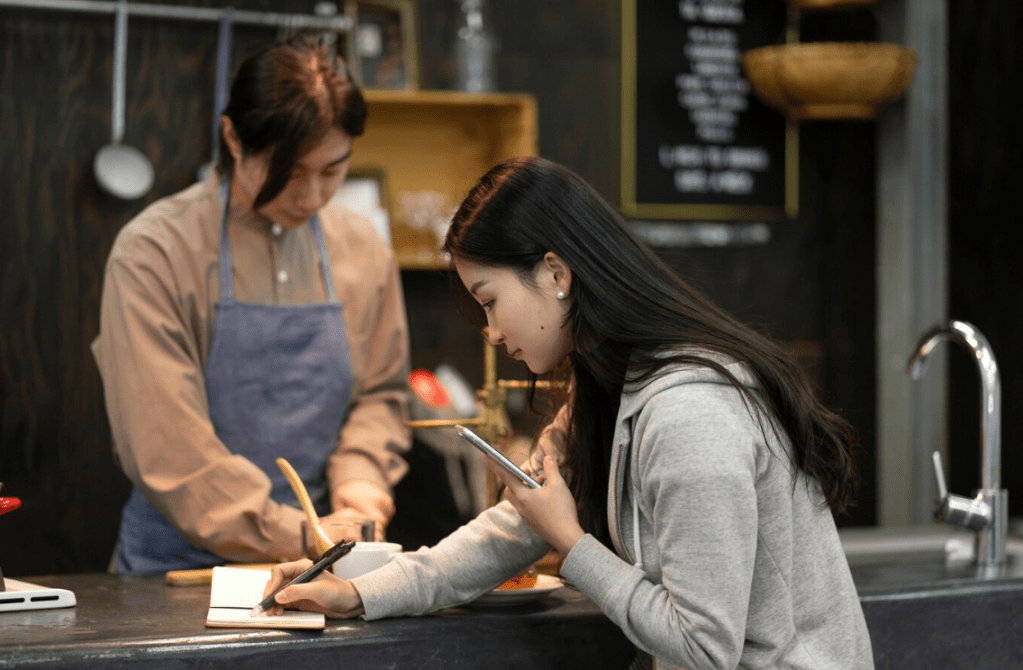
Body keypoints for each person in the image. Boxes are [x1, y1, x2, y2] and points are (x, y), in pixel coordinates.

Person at [260, 157, 874, 669]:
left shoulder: (691, 415)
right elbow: (508, 531)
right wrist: (355, 594)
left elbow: (703, 646)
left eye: (491, 302)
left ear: (555, 272)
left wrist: (570, 540)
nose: (493, 333)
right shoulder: (607, 387)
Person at [92, 35, 411, 574]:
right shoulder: (155, 252)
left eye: (332, 171)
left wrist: (360, 482)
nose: (310, 198)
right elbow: (165, 446)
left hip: (323, 566)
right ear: (233, 138)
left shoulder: (364, 250)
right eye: (288, 172)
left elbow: (380, 395)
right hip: (176, 571)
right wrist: (297, 532)